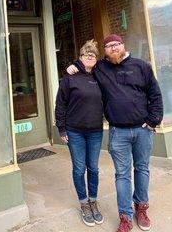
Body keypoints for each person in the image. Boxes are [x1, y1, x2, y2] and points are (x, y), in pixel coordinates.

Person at [67, 34, 163, 232]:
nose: (113, 48)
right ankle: (125, 216)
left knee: (142, 169)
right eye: (109, 46)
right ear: (106, 50)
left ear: (123, 45)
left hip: (142, 130)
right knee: (122, 175)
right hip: (118, 132)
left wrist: (153, 120)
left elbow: (155, 93)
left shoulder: (141, 66)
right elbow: (88, 60)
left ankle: (141, 207)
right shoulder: (102, 68)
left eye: (116, 45)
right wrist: (74, 65)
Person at [55, 40, 104, 227]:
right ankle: (83, 203)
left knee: (93, 168)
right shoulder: (69, 78)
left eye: (93, 55)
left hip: (95, 132)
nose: (90, 57)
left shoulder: (100, 76)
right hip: (75, 131)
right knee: (78, 169)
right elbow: (60, 104)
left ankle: (93, 201)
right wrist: (61, 128)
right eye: (86, 55)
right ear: (80, 57)